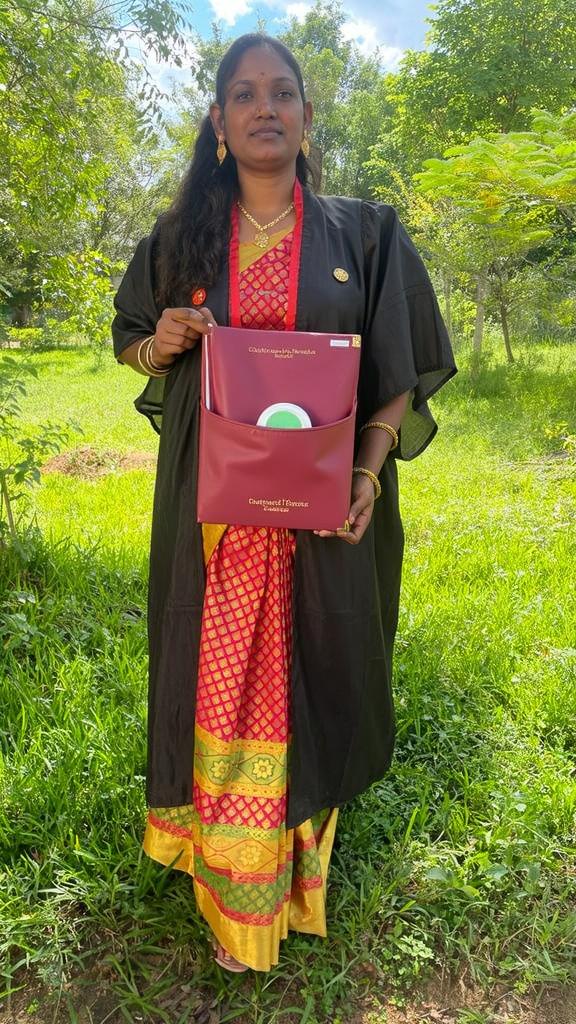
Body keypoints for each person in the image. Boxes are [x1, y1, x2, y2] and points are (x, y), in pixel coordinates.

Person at [111, 32, 456, 973]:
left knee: (317, 674)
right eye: (245, 95)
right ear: (219, 124)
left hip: (321, 519)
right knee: (220, 683)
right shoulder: (182, 239)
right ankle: (233, 889)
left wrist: (367, 471)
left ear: (307, 117)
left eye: (284, 92)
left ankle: (299, 874)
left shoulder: (366, 233)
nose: (266, 107)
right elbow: (129, 337)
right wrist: (163, 341)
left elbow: (398, 371)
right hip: (215, 521)